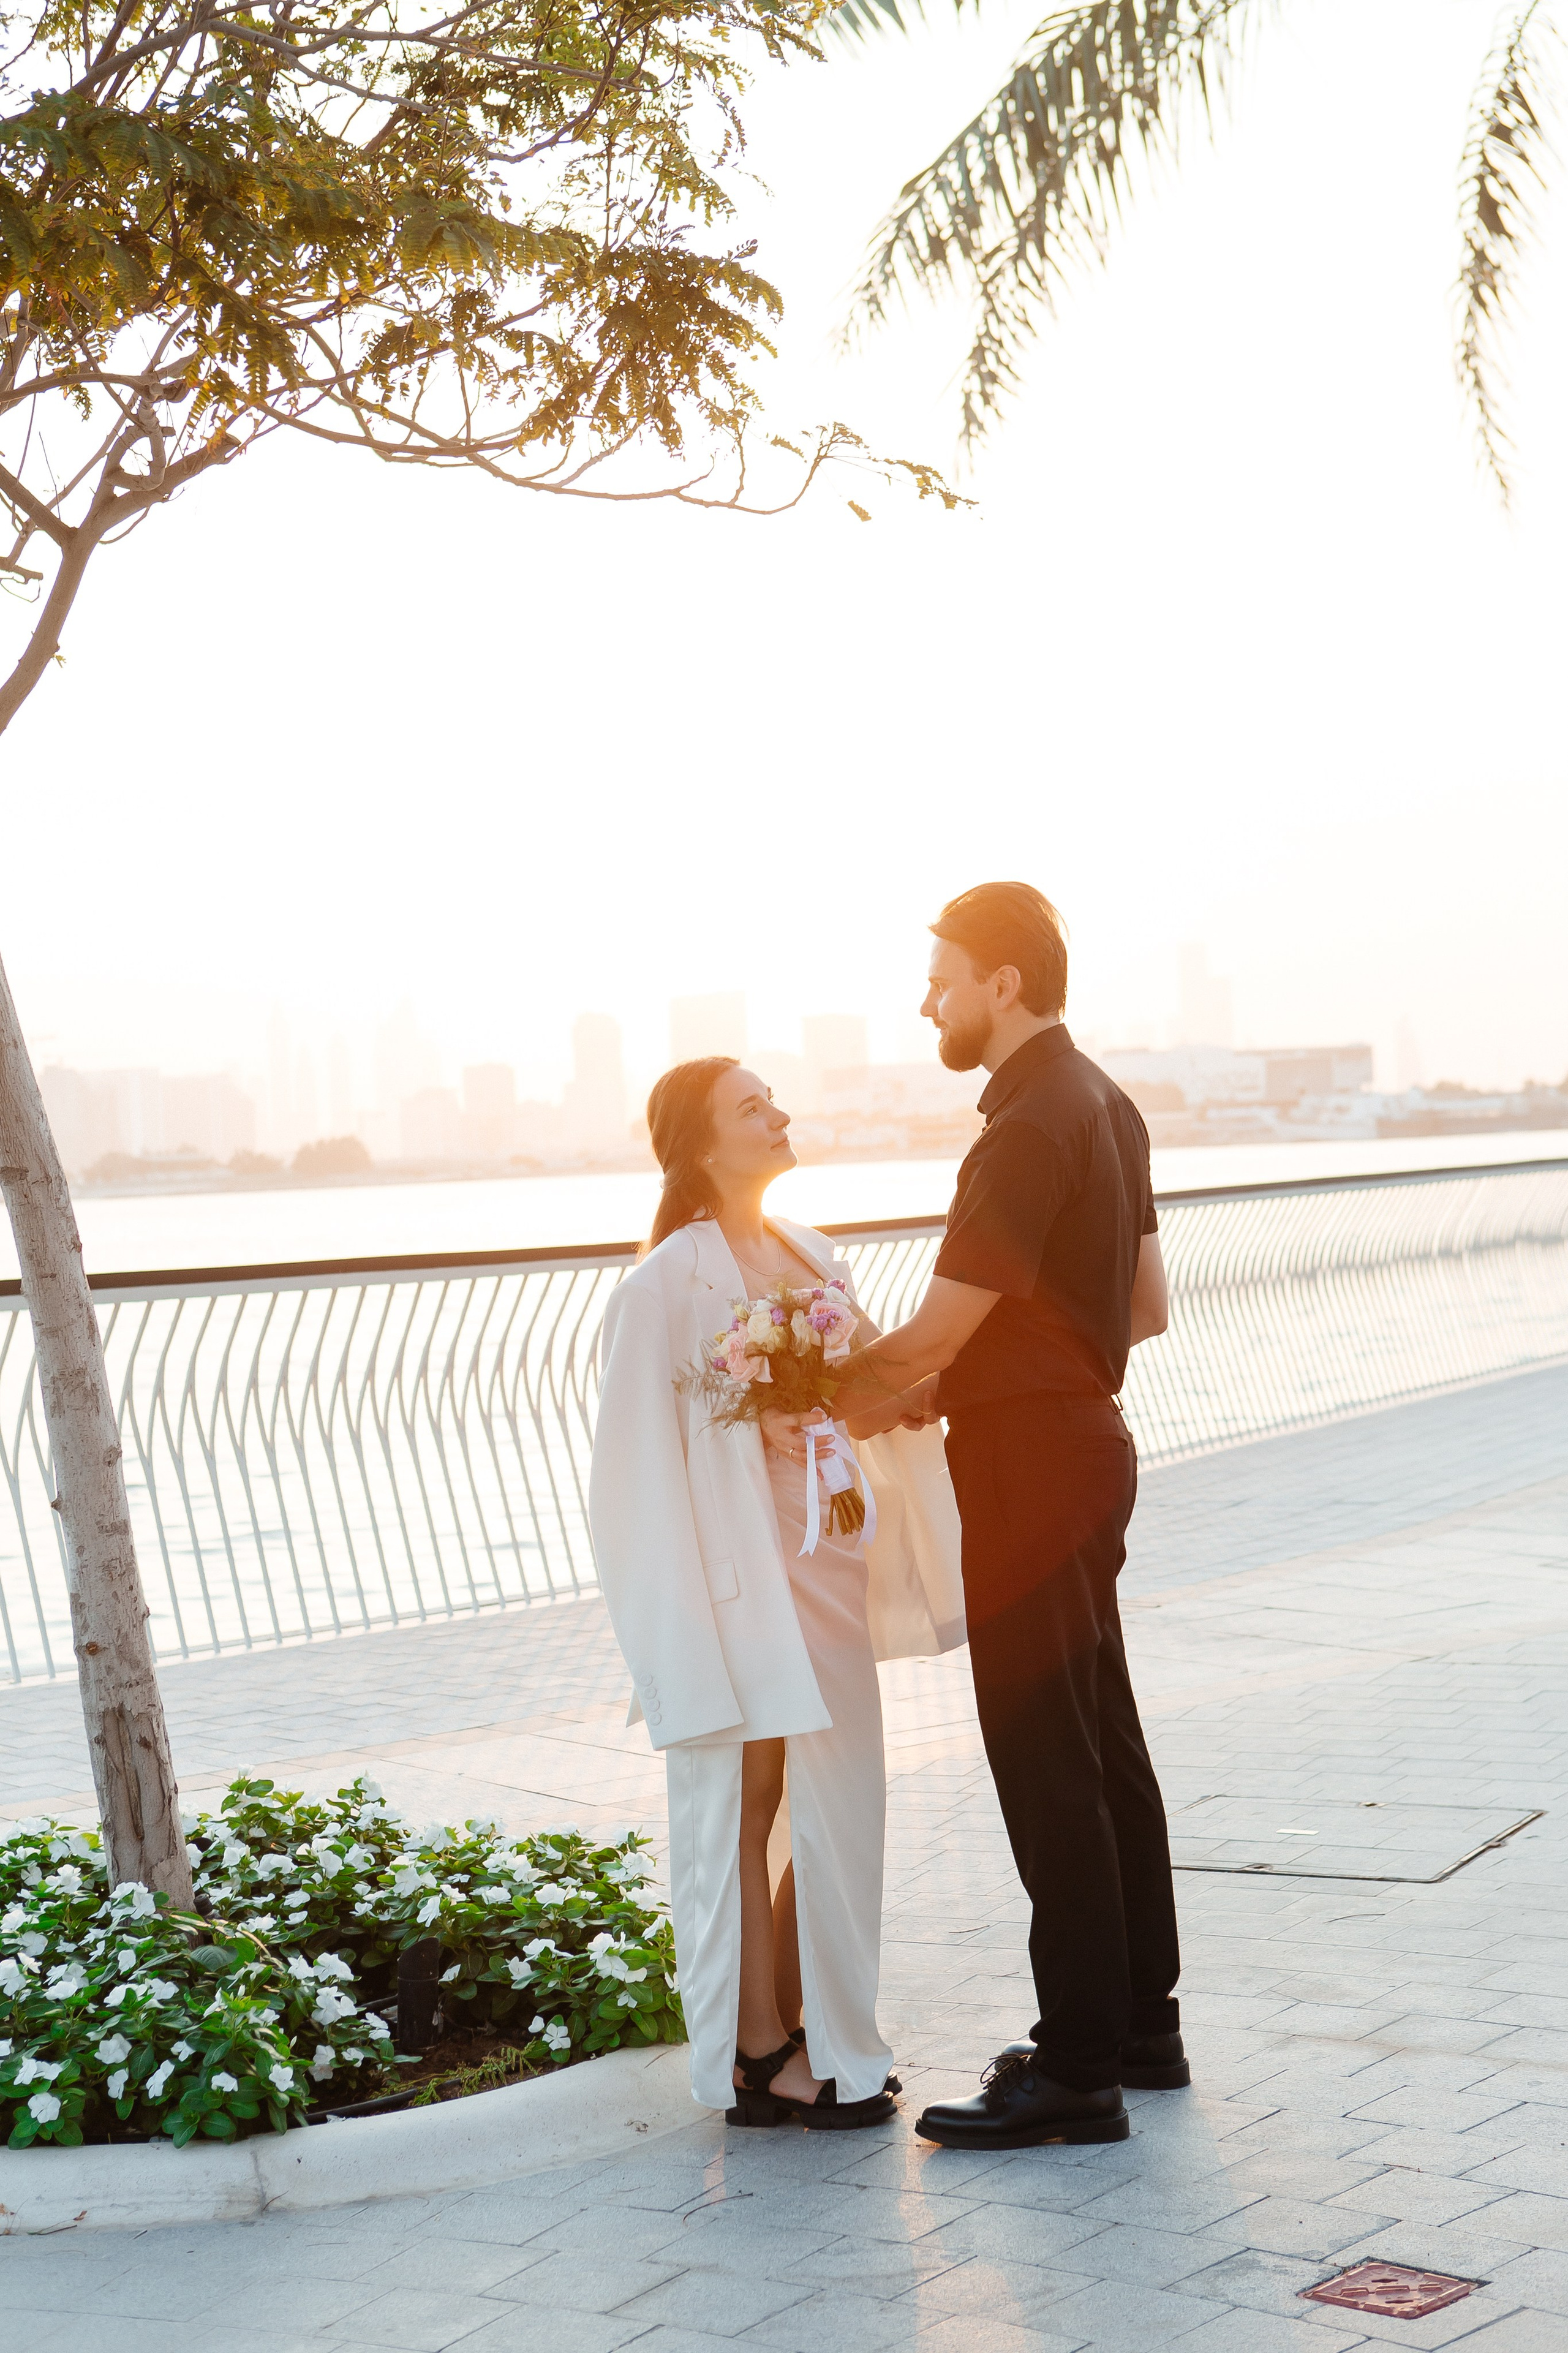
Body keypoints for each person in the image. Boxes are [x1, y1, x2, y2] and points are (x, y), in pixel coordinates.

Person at [820, 881, 1182, 2150]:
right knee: (1100, 1742)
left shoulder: (1022, 1124)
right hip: (1088, 1442)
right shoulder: (1107, 1104)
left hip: (1031, 1467)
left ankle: (1075, 2067)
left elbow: (939, 1324)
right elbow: (1141, 1310)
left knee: (1045, 1758)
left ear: (1003, 984)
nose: (928, 999)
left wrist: (807, 1396)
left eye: (941, 977)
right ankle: (1139, 2024)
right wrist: (953, 1381)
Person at [589, 1056, 965, 2129]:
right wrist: (751, 1426)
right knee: (750, 1803)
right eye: (753, 1108)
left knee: (846, 1796)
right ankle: (760, 2052)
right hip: (741, 1578)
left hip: (827, 1564)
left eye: (773, 1099)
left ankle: (820, 2019)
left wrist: (928, 1391)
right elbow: (633, 1460)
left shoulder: (810, 1250)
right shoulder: (662, 1282)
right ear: (702, 1146)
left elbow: (858, 1388)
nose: (780, 1114)